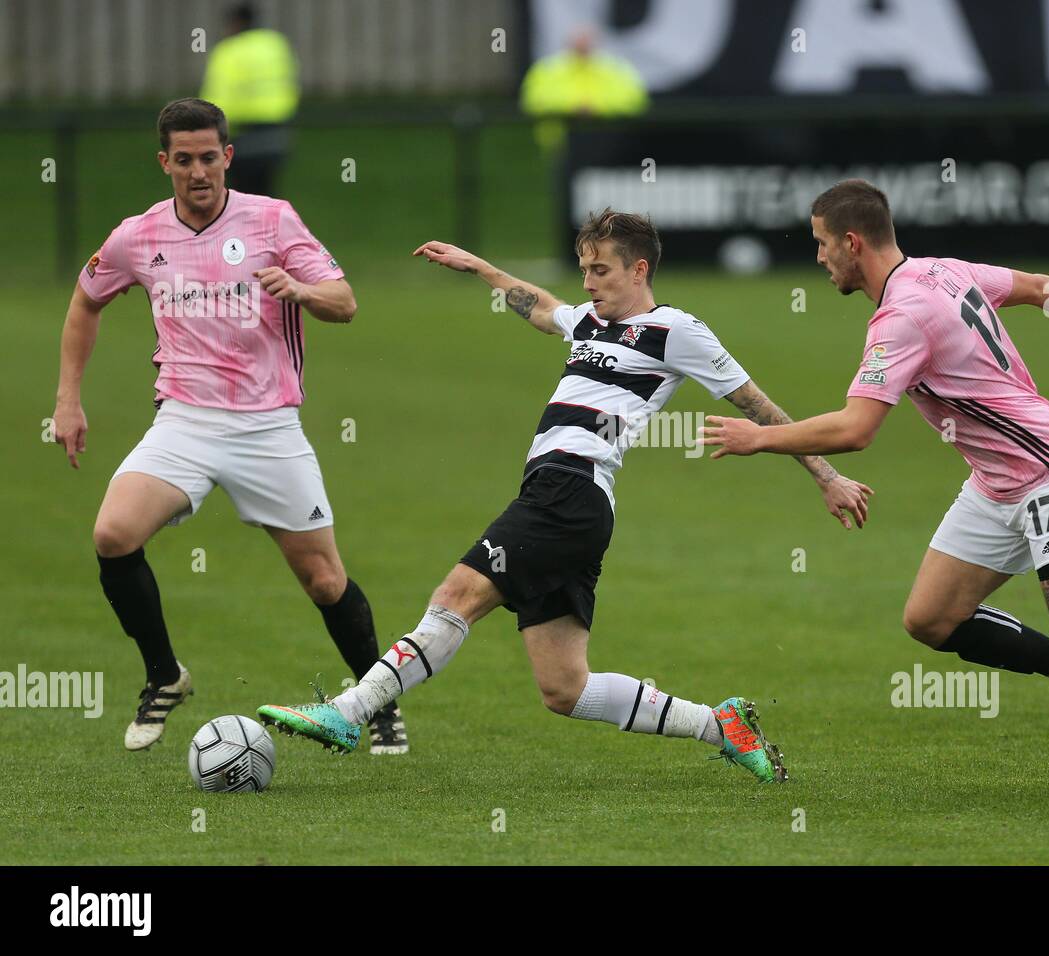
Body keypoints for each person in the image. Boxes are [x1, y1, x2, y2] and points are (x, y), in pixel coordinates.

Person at [258, 209, 875, 784]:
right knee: (564, 688)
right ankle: (722, 726)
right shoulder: (588, 321)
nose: (589, 282)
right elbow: (541, 307)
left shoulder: (674, 330)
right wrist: (478, 268)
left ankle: (348, 711)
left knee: (455, 597)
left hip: (568, 490)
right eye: (584, 270)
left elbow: (758, 404)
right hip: (572, 503)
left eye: (601, 270)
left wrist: (826, 475)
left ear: (639, 270)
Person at [701, 179, 1049, 795]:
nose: (818, 258)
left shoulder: (901, 320)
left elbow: (856, 428)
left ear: (852, 241)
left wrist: (759, 438)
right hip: (996, 483)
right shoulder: (940, 271)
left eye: (820, 244)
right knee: (931, 619)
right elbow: (1030, 286)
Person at [51, 98, 406, 756]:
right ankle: (164, 676)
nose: (197, 172)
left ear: (228, 158)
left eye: (208, 157)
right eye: (182, 160)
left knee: (325, 580)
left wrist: (299, 291)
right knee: (112, 534)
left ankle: (375, 697)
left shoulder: (273, 220)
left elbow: (345, 302)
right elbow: (85, 299)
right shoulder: (138, 235)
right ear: (165, 163)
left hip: (268, 425)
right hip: (183, 419)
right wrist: (68, 398)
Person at [199, 3, 298, 196]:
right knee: (267, 195)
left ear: (236, 23)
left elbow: (216, 100)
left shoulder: (227, 51)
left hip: (241, 135)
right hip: (277, 133)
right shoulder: (276, 45)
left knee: (240, 199)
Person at [520, 26, 648, 152]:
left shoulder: (616, 70)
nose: (583, 48)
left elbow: (635, 100)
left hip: (611, 141)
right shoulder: (547, 70)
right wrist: (573, 107)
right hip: (559, 144)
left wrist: (596, 108)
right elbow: (533, 100)